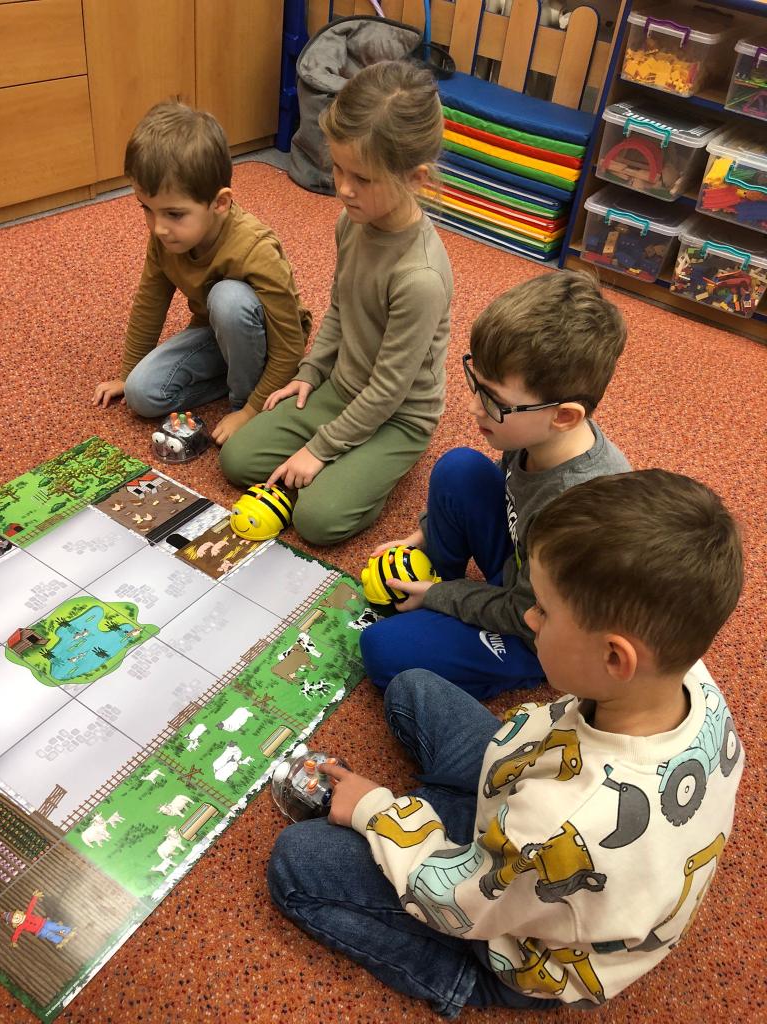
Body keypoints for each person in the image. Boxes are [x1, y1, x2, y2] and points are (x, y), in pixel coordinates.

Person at [268, 469, 745, 1018]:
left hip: (522, 938)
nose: (528, 617)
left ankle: (460, 980)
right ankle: (447, 822)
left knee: (296, 863)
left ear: (615, 658)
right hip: (532, 806)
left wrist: (376, 812)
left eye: (544, 610)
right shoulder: (685, 675)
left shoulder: (559, 825)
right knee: (411, 688)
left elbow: (456, 902)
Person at [360, 269, 629, 698]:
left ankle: (518, 668)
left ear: (564, 416)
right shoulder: (534, 436)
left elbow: (524, 611)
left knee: (382, 650)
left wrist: (438, 596)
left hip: (540, 628)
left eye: (494, 400)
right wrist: (423, 537)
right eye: (477, 383)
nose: (473, 407)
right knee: (459, 467)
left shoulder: (577, 512)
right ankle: (438, 587)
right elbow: (508, 497)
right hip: (524, 568)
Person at [219, 61, 453, 545]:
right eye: (338, 166)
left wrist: (321, 449)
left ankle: (375, 469)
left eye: (362, 177)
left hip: (399, 416)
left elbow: (389, 390)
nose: (343, 188)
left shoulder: (420, 278)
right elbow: (340, 310)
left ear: (415, 178)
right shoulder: (352, 221)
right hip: (344, 388)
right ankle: (344, 456)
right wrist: (310, 373)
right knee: (237, 460)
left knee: (318, 520)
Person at [93, 100, 312, 445]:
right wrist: (128, 372)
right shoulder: (166, 238)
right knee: (140, 394)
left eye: (174, 214)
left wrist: (248, 411)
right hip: (215, 330)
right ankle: (236, 380)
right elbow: (150, 302)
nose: (158, 227)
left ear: (220, 203)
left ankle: (247, 397)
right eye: (147, 210)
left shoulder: (255, 248)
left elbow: (290, 344)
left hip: (269, 341)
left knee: (228, 299)